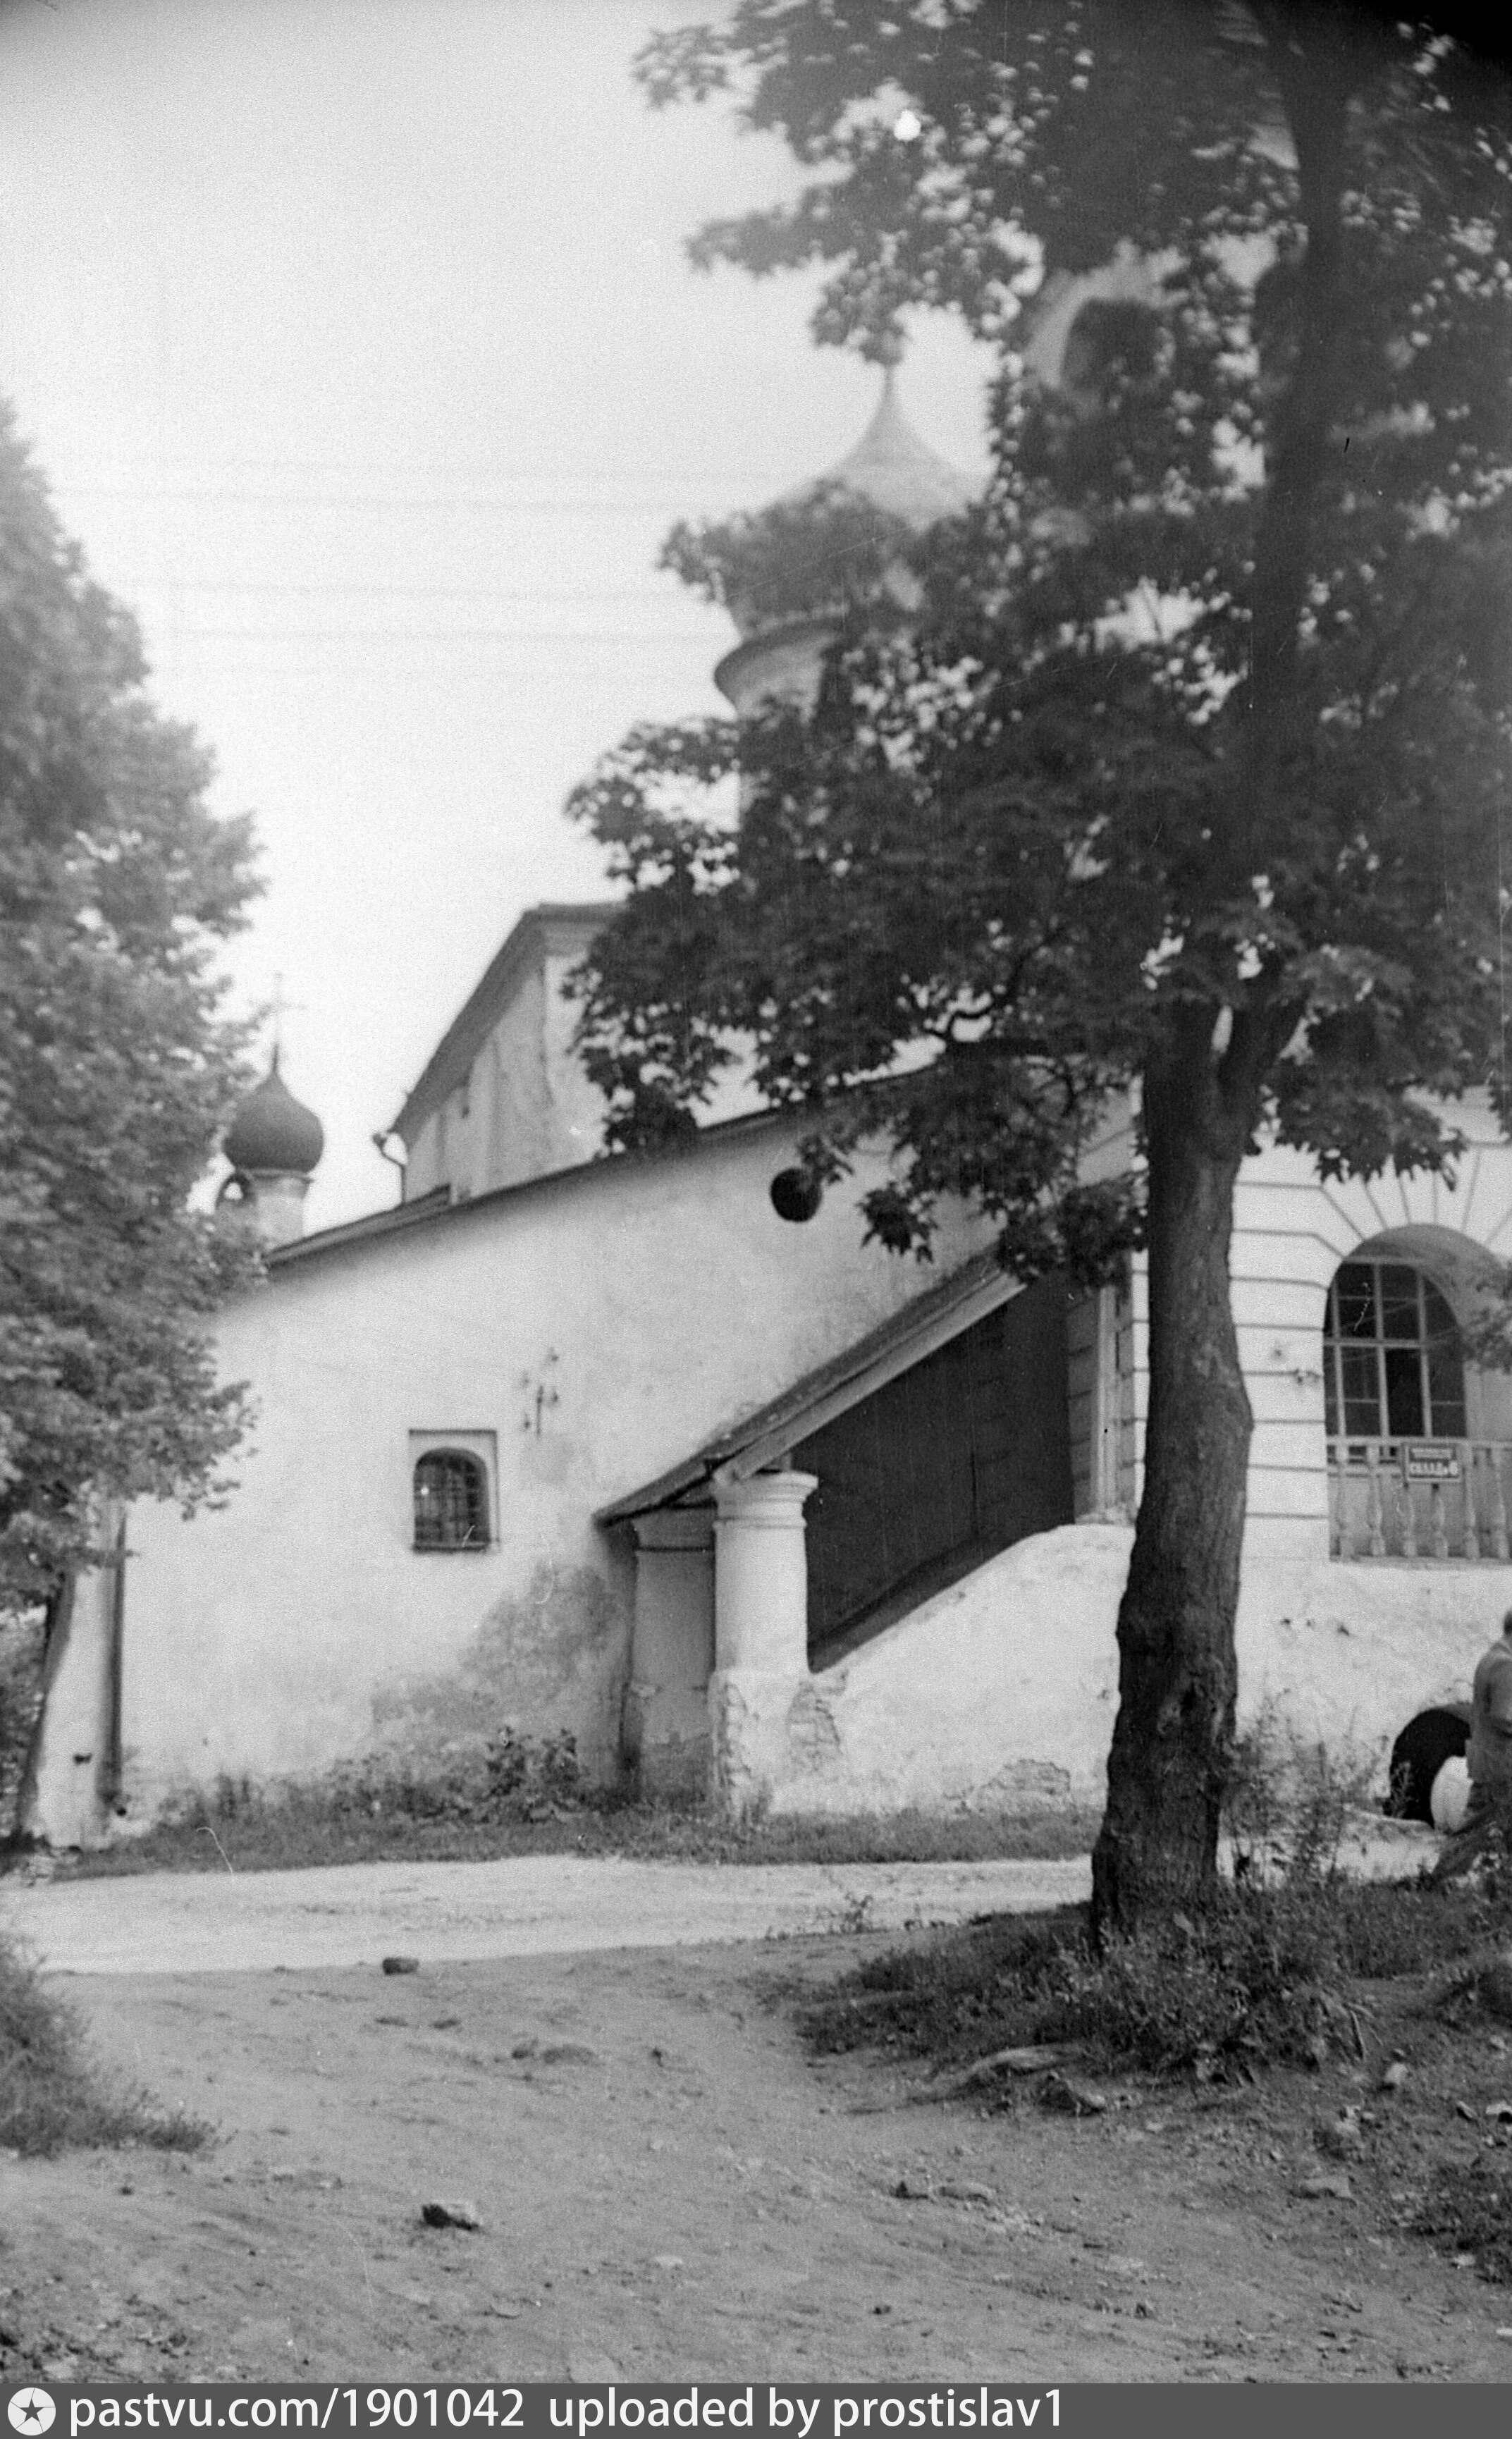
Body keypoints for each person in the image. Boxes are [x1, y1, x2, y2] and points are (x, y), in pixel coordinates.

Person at [1430, 1609, 1512, 1884]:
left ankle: (1500, 1885)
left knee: (1486, 1822)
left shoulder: (1492, 1658)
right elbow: (1504, 1717)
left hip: (1490, 1757)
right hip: (1501, 1762)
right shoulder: (1506, 1665)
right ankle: (1442, 1877)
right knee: (1476, 1825)